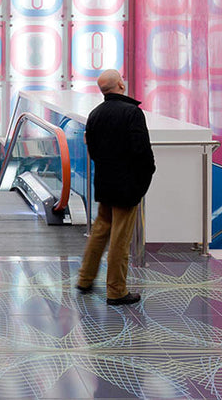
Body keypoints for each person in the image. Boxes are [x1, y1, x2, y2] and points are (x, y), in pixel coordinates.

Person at [76, 69, 156, 306]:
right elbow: (142, 152)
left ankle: (85, 278)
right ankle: (116, 290)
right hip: (127, 185)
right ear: (121, 85)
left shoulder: (95, 114)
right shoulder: (132, 113)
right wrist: (145, 178)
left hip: (104, 182)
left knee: (100, 231)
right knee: (120, 239)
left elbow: (93, 150)